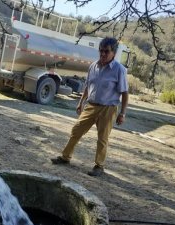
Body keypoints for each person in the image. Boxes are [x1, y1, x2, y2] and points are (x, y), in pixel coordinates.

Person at [51, 37, 129, 176]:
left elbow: (124, 93)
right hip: (91, 105)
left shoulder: (119, 70)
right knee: (76, 130)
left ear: (114, 53)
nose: (103, 54)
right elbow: (87, 86)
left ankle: (99, 166)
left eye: (106, 51)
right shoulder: (93, 66)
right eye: (101, 51)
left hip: (108, 108)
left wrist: (122, 113)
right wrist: (81, 102)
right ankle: (65, 157)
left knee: (102, 138)